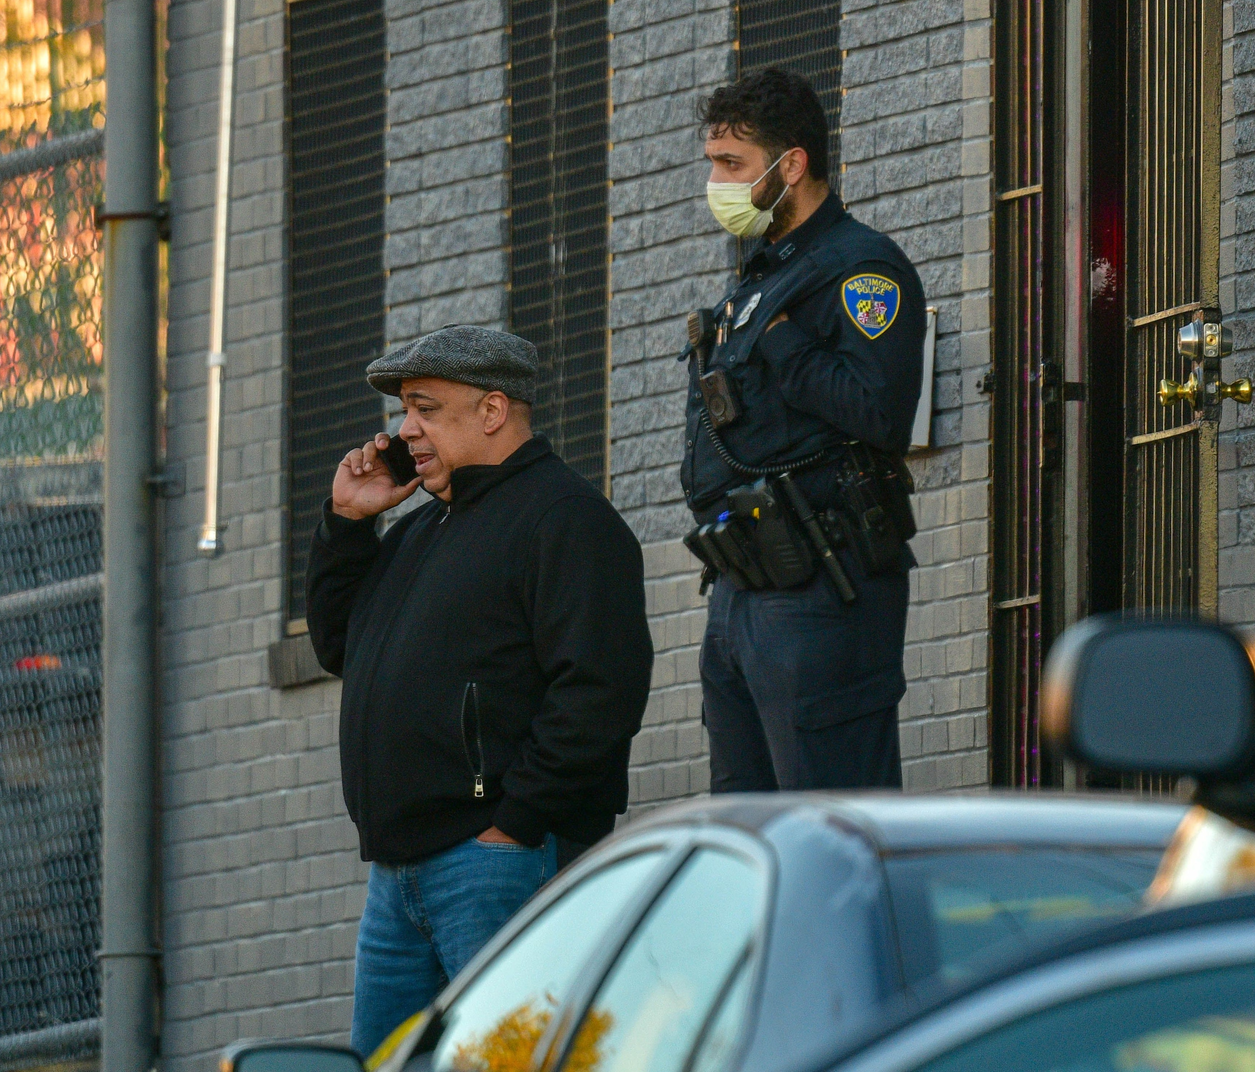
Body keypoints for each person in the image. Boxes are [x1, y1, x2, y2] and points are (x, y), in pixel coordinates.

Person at [307, 326, 653, 1059]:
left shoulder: (567, 521)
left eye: (425, 408)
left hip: (496, 862)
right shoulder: (423, 528)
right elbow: (340, 646)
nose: (405, 430)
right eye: (406, 410)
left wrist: (516, 822)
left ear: (493, 411)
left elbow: (599, 691)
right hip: (399, 876)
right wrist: (348, 526)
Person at [682, 67, 926, 792]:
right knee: (748, 836)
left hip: (822, 584)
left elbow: (879, 412)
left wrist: (786, 344)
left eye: (733, 165)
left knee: (829, 826)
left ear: (792, 165)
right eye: (713, 165)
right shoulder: (760, 277)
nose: (718, 184)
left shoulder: (861, 269)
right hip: (741, 587)